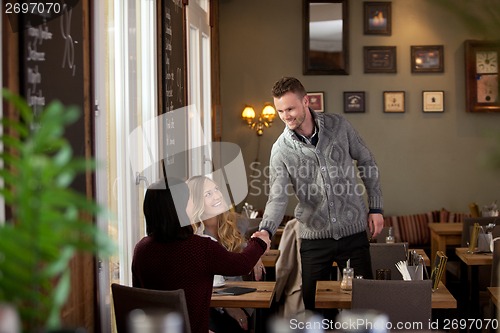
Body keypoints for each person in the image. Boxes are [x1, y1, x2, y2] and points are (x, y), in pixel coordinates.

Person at [258, 77, 384, 312]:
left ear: (306, 101)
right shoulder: (280, 149)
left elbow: (366, 159)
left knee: (364, 306)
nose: (286, 116)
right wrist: (266, 229)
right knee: (315, 312)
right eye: (280, 111)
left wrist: (375, 207)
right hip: (314, 240)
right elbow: (278, 196)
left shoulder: (339, 126)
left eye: (290, 108)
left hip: (353, 233)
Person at [132, 178, 270, 333]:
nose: (192, 203)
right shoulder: (201, 247)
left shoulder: (141, 250)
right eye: (189, 199)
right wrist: (259, 242)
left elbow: (140, 298)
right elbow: (242, 264)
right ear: (179, 208)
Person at [186, 175, 266, 332]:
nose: (216, 195)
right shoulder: (192, 236)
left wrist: (254, 255)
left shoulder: (232, 225)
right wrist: (228, 307)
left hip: (236, 300)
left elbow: (245, 250)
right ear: (196, 201)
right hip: (210, 307)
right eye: (208, 194)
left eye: (216, 190)